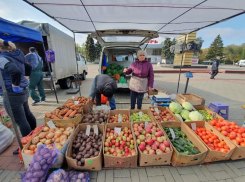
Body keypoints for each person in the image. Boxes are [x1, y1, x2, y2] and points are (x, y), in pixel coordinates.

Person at [0, 39, 37, 153]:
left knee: (21, 121)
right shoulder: (15, 55)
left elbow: (14, 71)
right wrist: (24, 81)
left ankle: (26, 146)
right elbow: (28, 67)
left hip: (12, 93)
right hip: (22, 91)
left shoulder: (2, 58)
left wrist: (15, 85)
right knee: (27, 115)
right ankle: (35, 136)